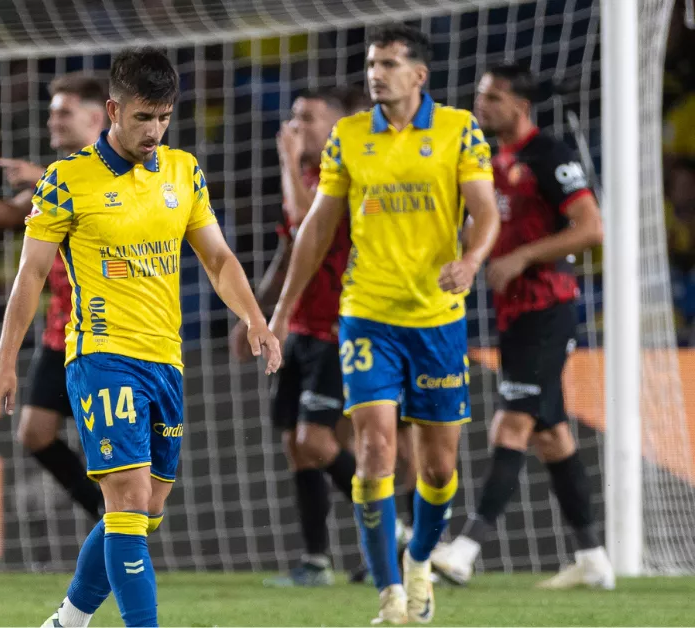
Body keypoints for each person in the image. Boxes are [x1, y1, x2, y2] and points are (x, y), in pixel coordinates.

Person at [0, 48, 282, 628]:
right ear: (113, 110)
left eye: (164, 117)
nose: (154, 131)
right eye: (143, 118)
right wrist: (4, 363)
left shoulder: (182, 170)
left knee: (144, 511)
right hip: (101, 355)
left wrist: (254, 317)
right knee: (124, 501)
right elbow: (30, 275)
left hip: (164, 361)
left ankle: (68, 621)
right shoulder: (66, 181)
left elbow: (217, 258)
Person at [268, 25, 500, 624]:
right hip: (367, 316)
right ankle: (390, 592)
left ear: (418, 75)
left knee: (439, 468)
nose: (377, 73)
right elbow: (316, 227)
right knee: (373, 449)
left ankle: (420, 558)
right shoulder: (348, 136)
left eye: (390, 63)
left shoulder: (457, 130)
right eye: (373, 63)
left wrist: (471, 259)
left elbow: (485, 212)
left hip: (438, 320)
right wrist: (285, 306)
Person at [430, 64, 611, 590]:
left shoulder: (548, 155)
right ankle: (594, 557)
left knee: (510, 425)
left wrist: (524, 256)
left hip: (547, 308)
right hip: (515, 313)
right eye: (479, 95)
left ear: (519, 104)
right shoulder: (491, 160)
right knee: (552, 437)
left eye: (492, 97)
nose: (481, 104)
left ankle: (463, 551)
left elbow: (591, 227)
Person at [235, 87, 416, 588]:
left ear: (339, 127)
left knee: (316, 439)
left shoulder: (349, 176)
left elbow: (303, 218)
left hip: (344, 328)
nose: (296, 127)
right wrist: (256, 313)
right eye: (294, 117)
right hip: (302, 330)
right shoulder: (311, 176)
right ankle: (316, 560)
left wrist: (288, 162)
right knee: (299, 446)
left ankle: (397, 529)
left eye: (309, 118)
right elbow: (292, 249)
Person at [0, 73, 108, 521]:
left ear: (96, 116)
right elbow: (9, 215)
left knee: (111, 441)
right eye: (51, 110)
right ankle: (106, 516)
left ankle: (125, 523)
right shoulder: (53, 179)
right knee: (35, 432)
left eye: (63, 111)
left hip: (107, 332)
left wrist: (42, 178)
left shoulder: (116, 171)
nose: (52, 120)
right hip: (61, 330)